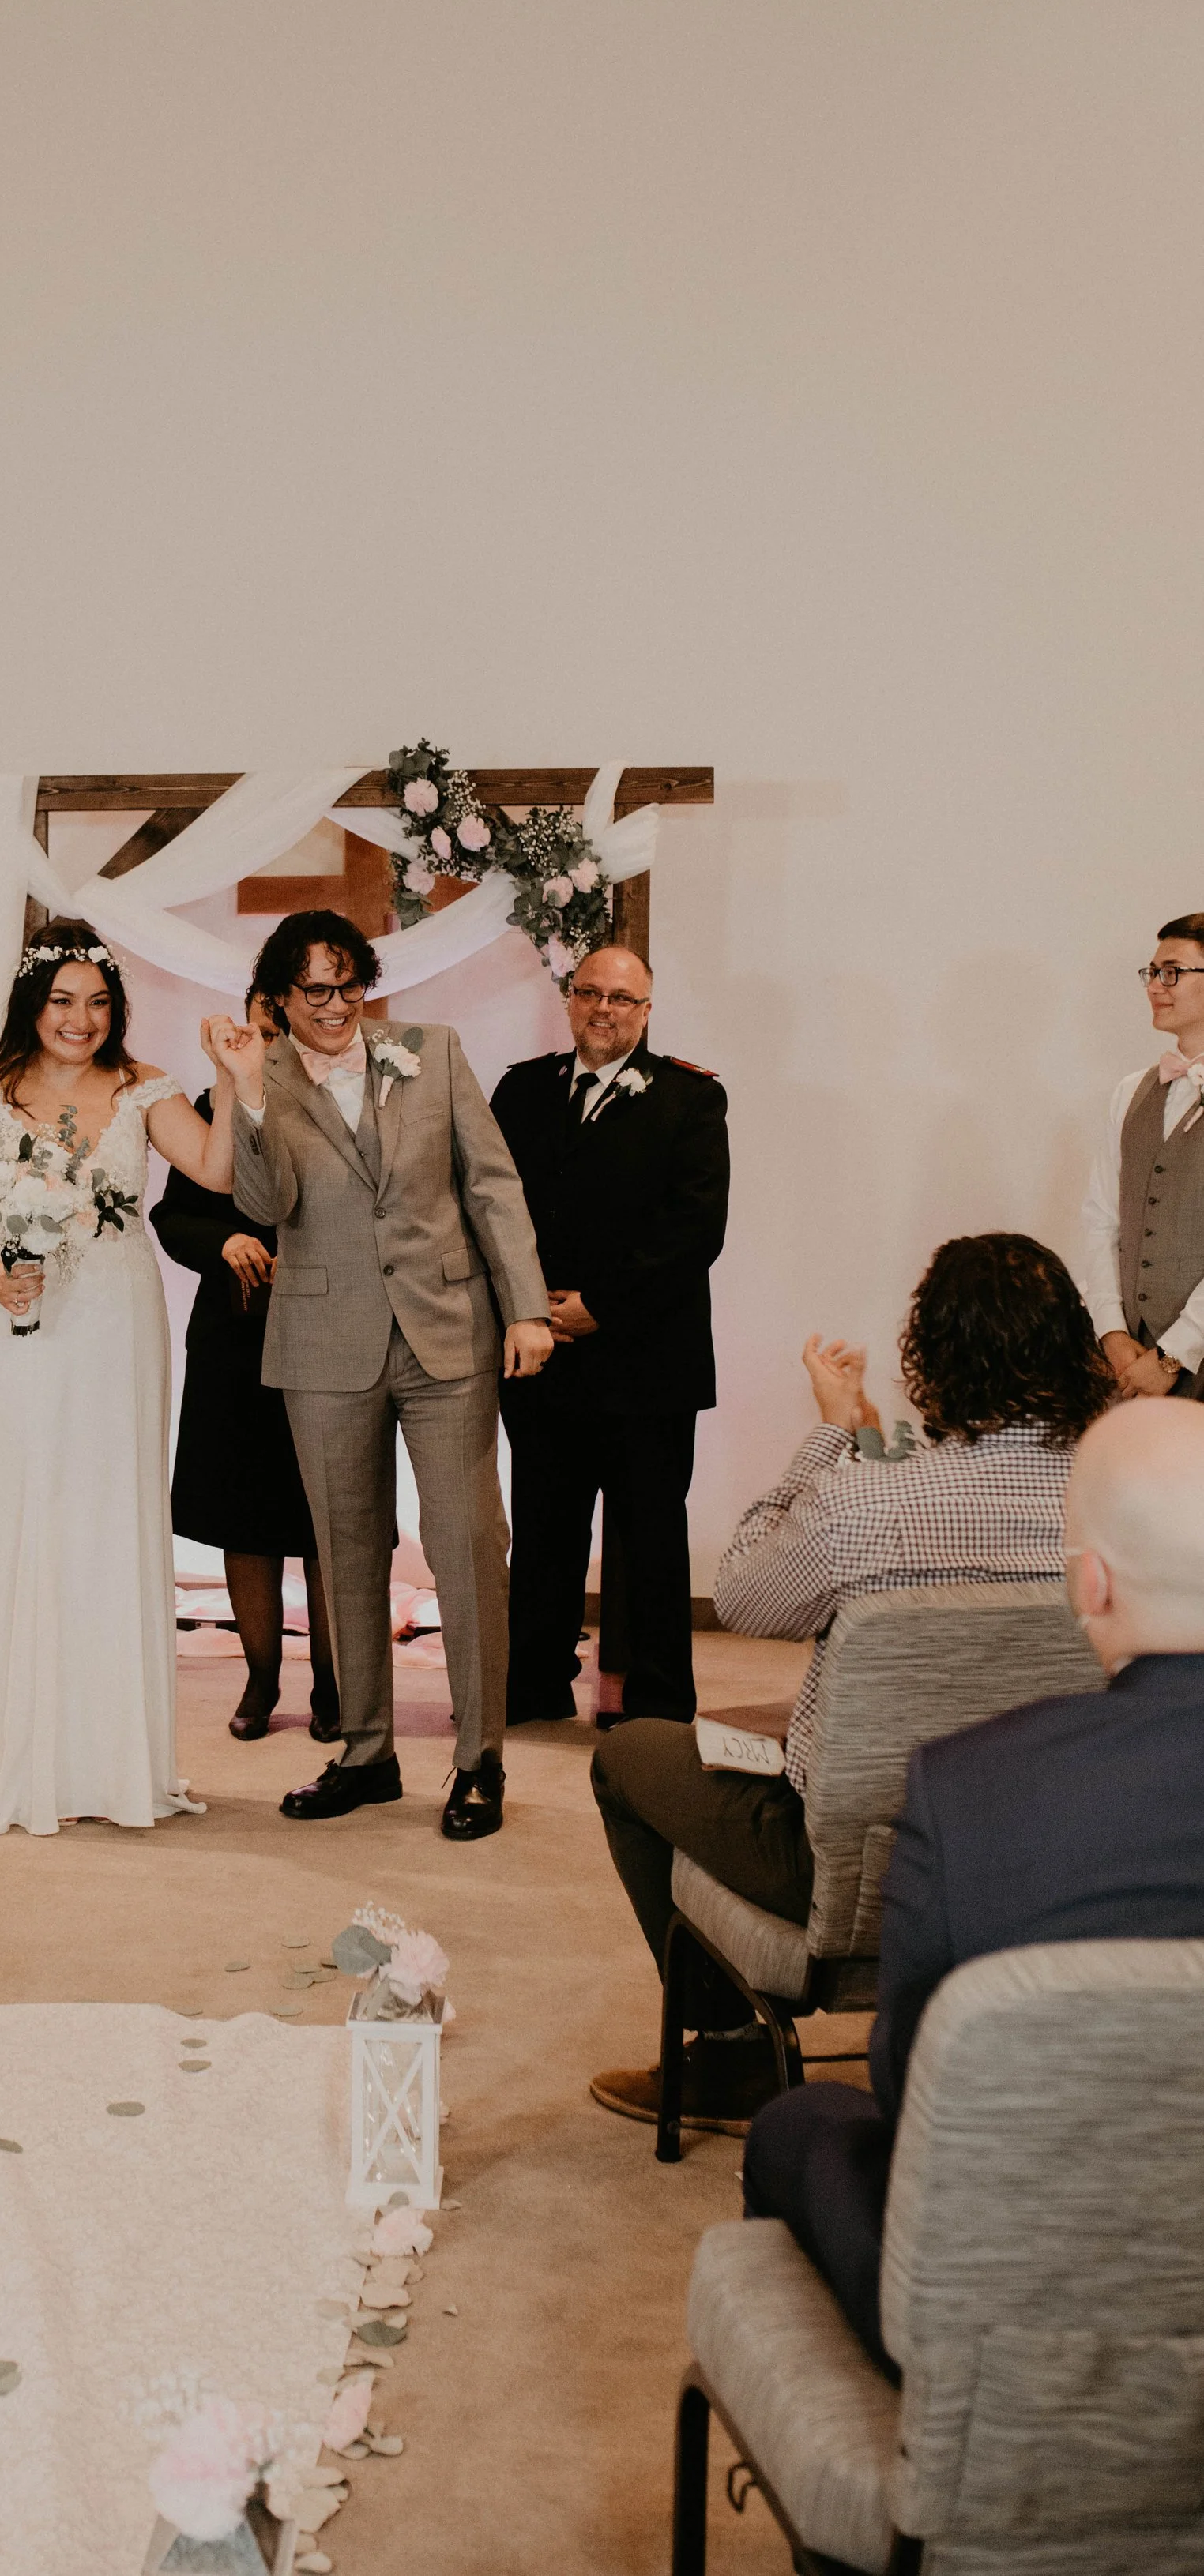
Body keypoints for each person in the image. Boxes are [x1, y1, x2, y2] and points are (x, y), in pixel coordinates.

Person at [587, 1234, 1112, 2133]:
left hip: (861, 1877)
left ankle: (733, 2053)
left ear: (932, 1361)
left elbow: (747, 1594)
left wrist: (831, 1434)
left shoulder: (867, 1505)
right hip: (1060, 1872)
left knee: (629, 1756)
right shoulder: (1125, 1501)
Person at [743, 1396, 1204, 2371]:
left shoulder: (971, 1787)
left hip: (1023, 2303)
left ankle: (882, 2505)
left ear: (1090, 1585)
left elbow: (915, 2098)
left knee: (799, 2123)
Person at [0, 922, 254, 1838]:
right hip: (24, 1323)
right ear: (33, 1003)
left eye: (99, 1001)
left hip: (117, 1324)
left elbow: (216, 1167)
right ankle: (13, 1748)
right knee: (25, 1505)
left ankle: (109, 1757)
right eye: (64, 1000)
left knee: (107, 1512)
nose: (81, 1019)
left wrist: (231, 1081)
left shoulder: (141, 1085)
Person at [212, 910, 552, 1842]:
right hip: (324, 1339)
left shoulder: (430, 1050)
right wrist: (245, 1095)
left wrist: (525, 1306)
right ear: (280, 997)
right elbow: (262, 1200)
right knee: (346, 1550)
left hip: (448, 1331)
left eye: (348, 984)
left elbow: (492, 1184)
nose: (334, 1006)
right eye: (313, 989)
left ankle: (479, 1759)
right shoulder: (259, 1073)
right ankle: (366, 1754)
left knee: (469, 1544)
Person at [490, 944, 728, 1728]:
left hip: (648, 1364)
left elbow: (693, 1230)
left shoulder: (690, 1099)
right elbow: (489, 1205)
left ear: (647, 1010)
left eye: (622, 999)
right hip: (543, 1355)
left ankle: (659, 1699)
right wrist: (528, 1305)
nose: (603, 1009)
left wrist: (601, 1305)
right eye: (589, 992)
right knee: (545, 1532)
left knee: (652, 1538)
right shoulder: (523, 1090)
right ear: (569, 999)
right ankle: (532, 1687)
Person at [152, 991, 341, 1745]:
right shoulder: (211, 1102)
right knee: (244, 1519)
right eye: (255, 1030)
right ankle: (262, 1676)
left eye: (277, 1030)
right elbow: (175, 1216)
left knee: (332, 1521)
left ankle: (335, 1685)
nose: (264, 1043)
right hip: (235, 1341)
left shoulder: (340, 1103)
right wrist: (223, 1243)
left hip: (328, 1338)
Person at [1081, 912, 1204, 1406]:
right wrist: (1110, 1329)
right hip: (1129, 1362)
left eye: (1172, 971)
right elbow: (1101, 1219)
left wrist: (1174, 1354)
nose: (1155, 986)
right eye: (1152, 972)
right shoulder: (1130, 1092)